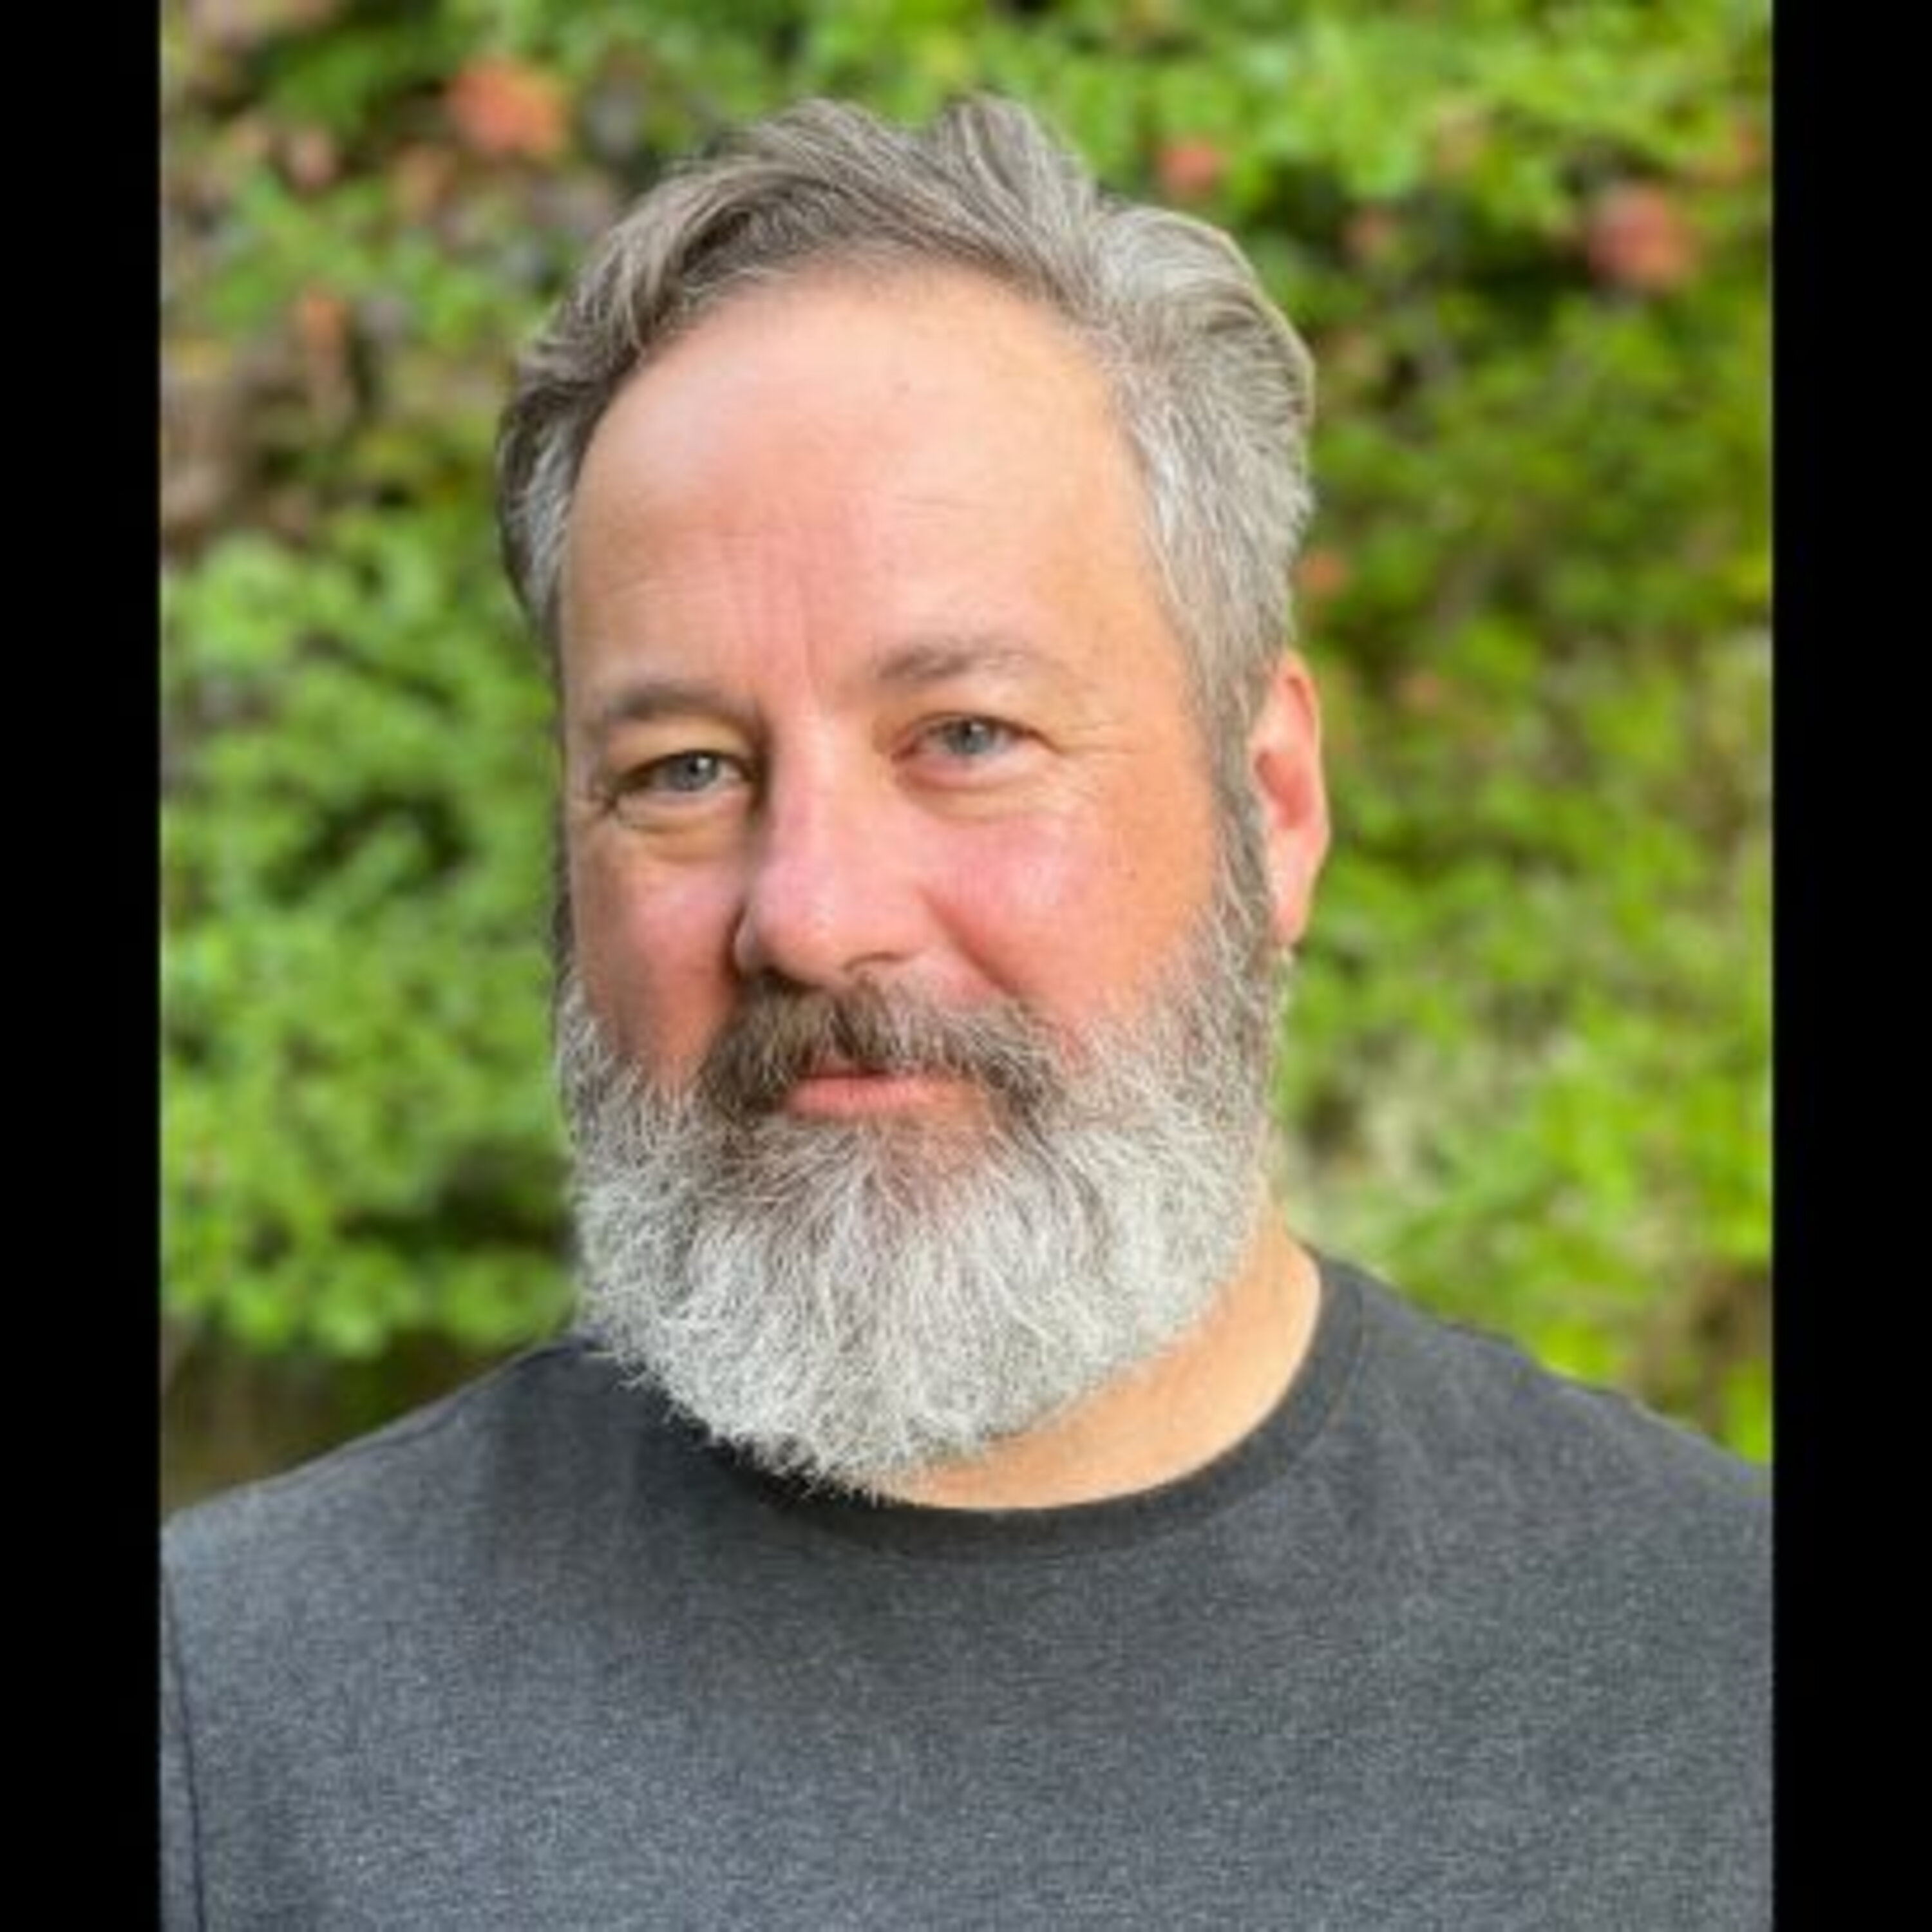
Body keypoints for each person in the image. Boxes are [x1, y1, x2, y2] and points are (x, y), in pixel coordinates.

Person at [162, 95, 1768, 1927]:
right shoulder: (232, 1732)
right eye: (686, 770)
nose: (813, 916)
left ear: (1272, 806)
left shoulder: (1719, 1684)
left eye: (968, 737)